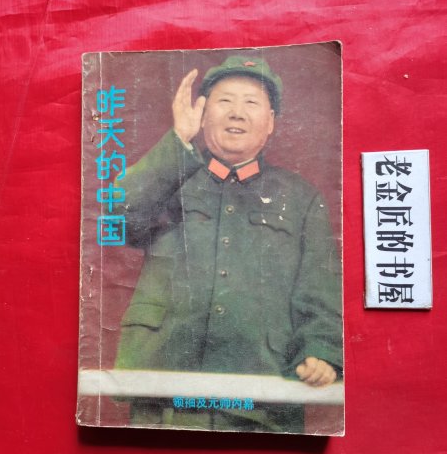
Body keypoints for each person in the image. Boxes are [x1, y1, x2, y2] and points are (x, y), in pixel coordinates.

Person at [115, 56, 342, 433]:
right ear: (203, 115)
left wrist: (321, 353)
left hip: (262, 401)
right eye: (224, 101)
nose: (237, 112)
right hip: (164, 393)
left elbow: (321, 293)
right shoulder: (170, 176)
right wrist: (178, 141)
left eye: (251, 102)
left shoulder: (301, 198)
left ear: (270, 122)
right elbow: (116, 219)